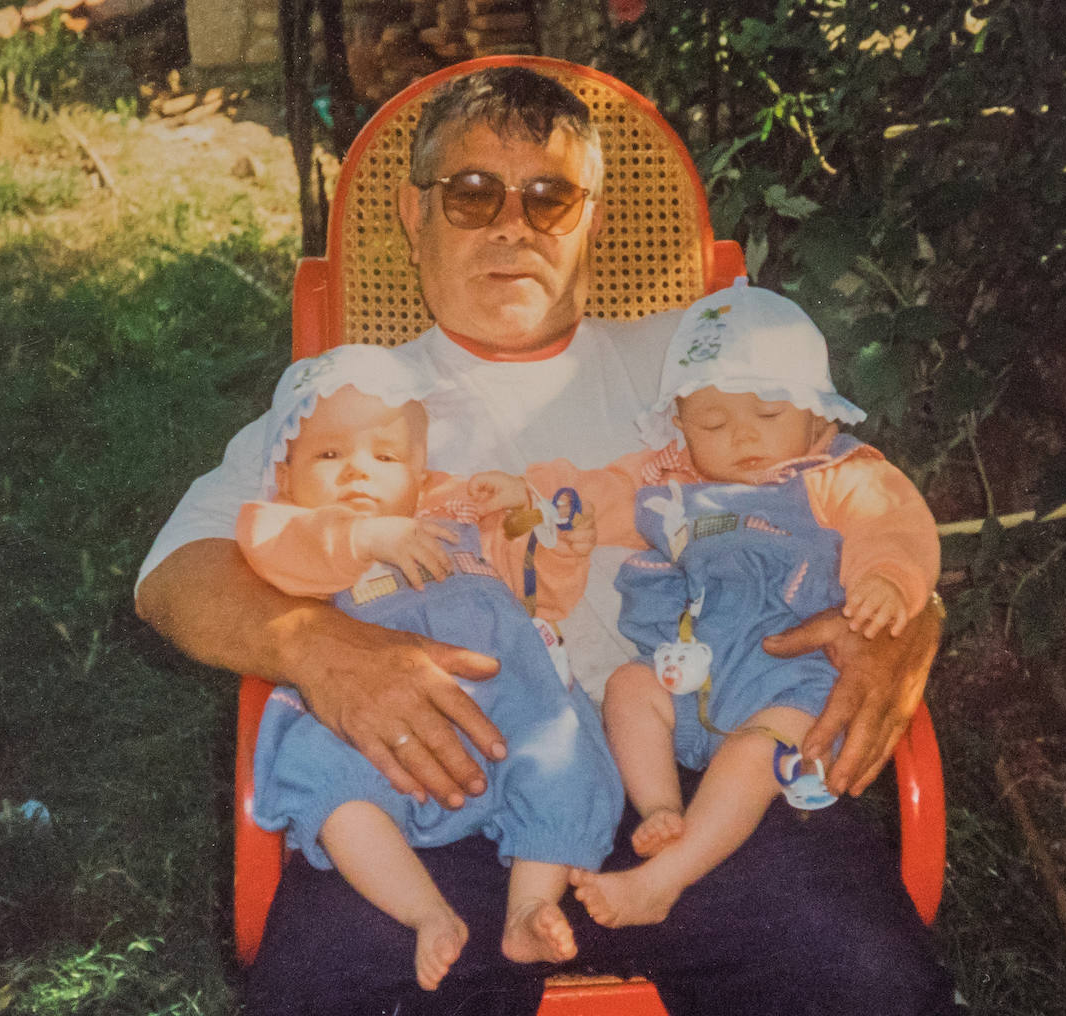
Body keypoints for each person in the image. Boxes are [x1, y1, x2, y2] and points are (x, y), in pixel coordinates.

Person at [135, 65, 956, 1014]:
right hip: (445, 779)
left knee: (865, 982)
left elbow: (857, 493)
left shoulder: (689, 358)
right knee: (334, 991)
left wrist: (910, 622)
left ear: (591, 218)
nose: (511, 227)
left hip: (694, 777)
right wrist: (323, 649)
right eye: (474, 193)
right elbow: (175, 574)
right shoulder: (351, 393)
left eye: (549, 197)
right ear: (413, 213)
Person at [535, 279, 941, 928]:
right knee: (628, 684)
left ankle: (665, 878)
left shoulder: (836, 475)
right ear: (682, 428)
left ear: (819, 418)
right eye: (714, 423)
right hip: (685, 680)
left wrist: (888, 580)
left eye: (769, 416)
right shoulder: (673, 485)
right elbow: (604, 493)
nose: (742, 437)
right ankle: (662, 807)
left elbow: (893, 524)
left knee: (754, 757)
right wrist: (567, 511)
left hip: (788, 686)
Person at [235, 344, 622, 990]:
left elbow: (538, 597)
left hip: (508, 703)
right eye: (330, 456)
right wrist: (365, 537)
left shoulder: (457, 521)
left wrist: (555, 546)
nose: (357, 472)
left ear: (421, 477)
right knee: (325, 779)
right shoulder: (291, 528)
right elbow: (273, 551)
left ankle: (530, 905)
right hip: (375, 732)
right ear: (286, 476)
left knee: (569, 759)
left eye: (384, 457)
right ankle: (426, 913)